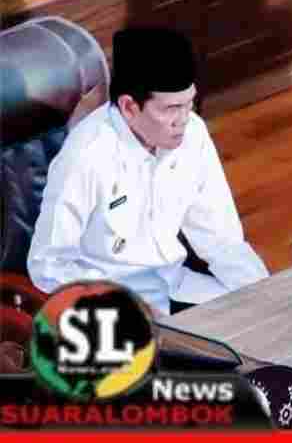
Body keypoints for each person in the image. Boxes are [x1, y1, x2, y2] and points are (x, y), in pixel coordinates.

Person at [28, 28, 269, 316]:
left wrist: (265, 294)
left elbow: (222, 241)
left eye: (189, 103)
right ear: (129, 107)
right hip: (115, 310)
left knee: (263, 329)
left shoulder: (193, 132)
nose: (183, 120)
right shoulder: (87, 156)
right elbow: (48, 265)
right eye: (171, 109)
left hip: (176, 286)